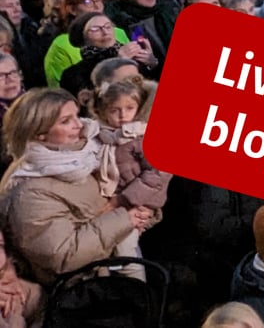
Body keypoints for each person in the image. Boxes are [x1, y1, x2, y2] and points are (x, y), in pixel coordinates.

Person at [0, 88, 153, 284]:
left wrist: (140, 211)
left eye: (76, 115)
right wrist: (124, 219)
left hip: (117, 260)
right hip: (87, 287)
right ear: (39, 133)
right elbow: (62, 254)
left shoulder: (88, 152)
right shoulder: (29, 191)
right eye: (66, 121)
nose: (79, 125)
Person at [91, 79, 171, 279]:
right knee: (102, 254)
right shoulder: (99, 135)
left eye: (129, 108)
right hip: (106, 203)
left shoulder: (140, 136)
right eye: (114, 110)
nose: (122, 115)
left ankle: (137, 289)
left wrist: (123, 200)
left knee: (127, 252)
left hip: (130, 203)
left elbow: (154, 176)